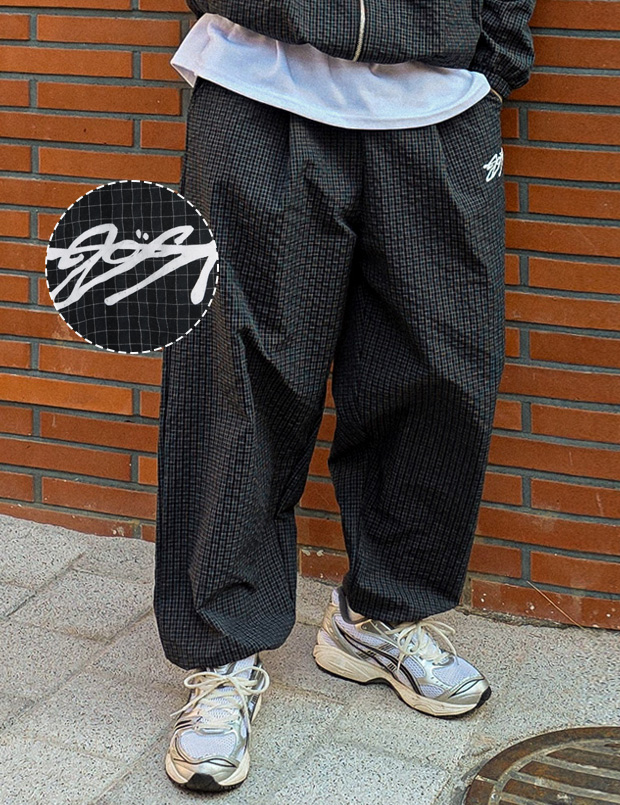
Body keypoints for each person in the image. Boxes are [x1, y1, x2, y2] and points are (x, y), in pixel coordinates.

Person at [154, 0, 536, 792]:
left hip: (437, 104)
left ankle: (380, 615)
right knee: (239, 383)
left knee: (441, 372)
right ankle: (223, 651)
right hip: (257, 90)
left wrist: (495, 56)